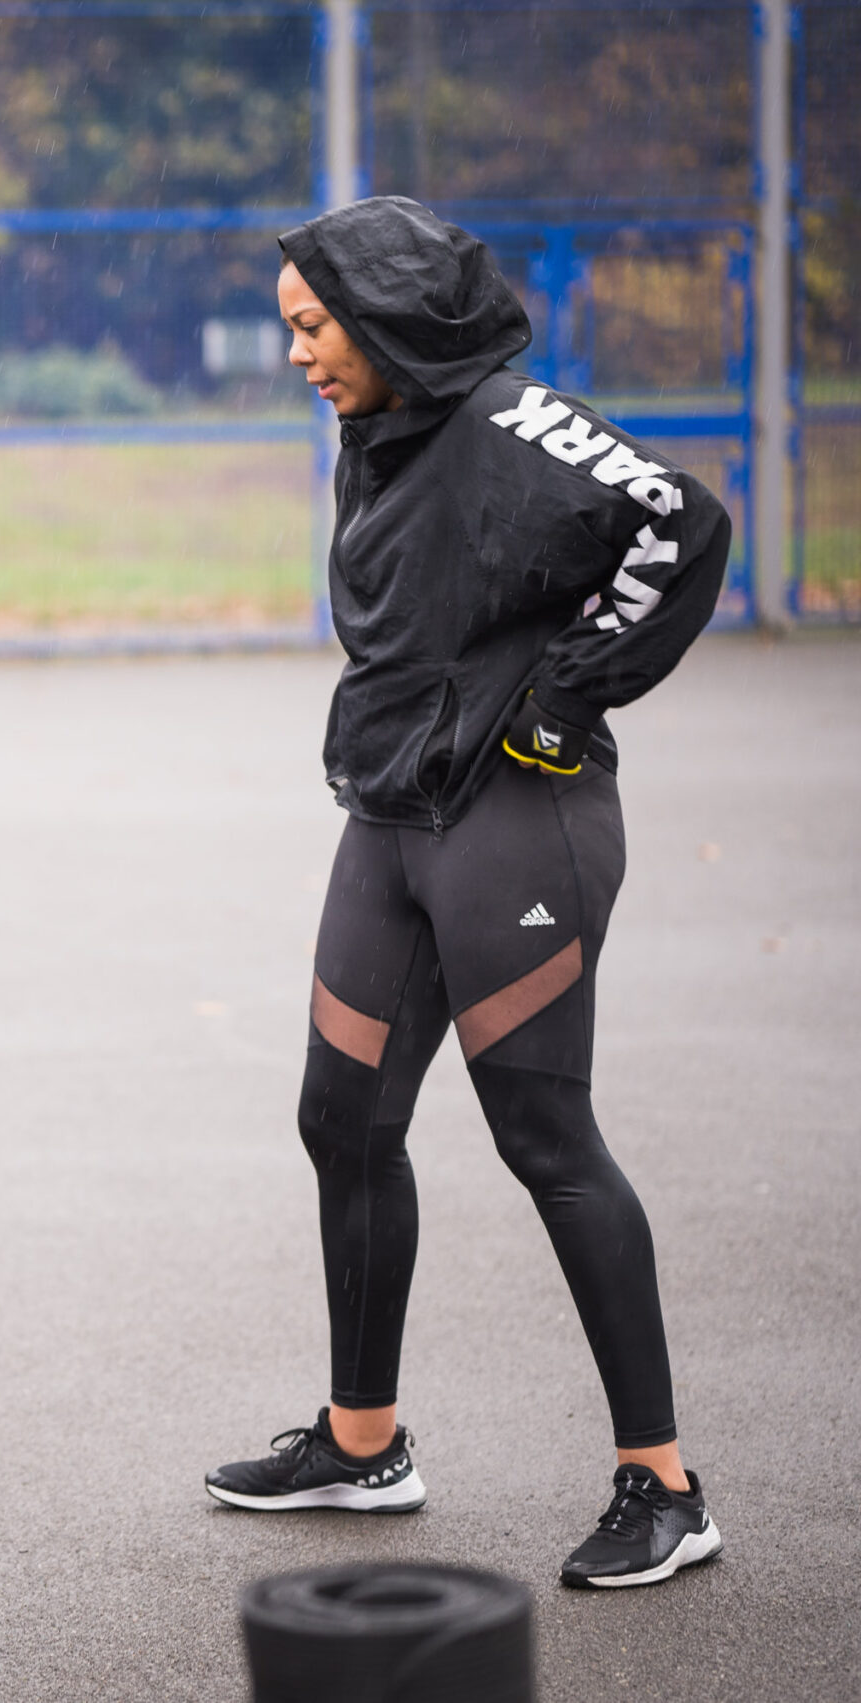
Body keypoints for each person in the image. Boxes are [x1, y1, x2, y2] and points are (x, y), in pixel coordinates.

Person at [203, 197, 728, 1590]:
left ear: (384, 314)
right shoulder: (379, 426)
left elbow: (684, 517)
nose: (302, 353)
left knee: (545, 1139)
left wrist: (567, 691)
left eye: (316, 327)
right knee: (341, 1117)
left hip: (518, 822)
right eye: (293, 330)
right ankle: (363, 1446)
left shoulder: (514, 421)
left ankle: (664, 1485)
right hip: (390, 809)